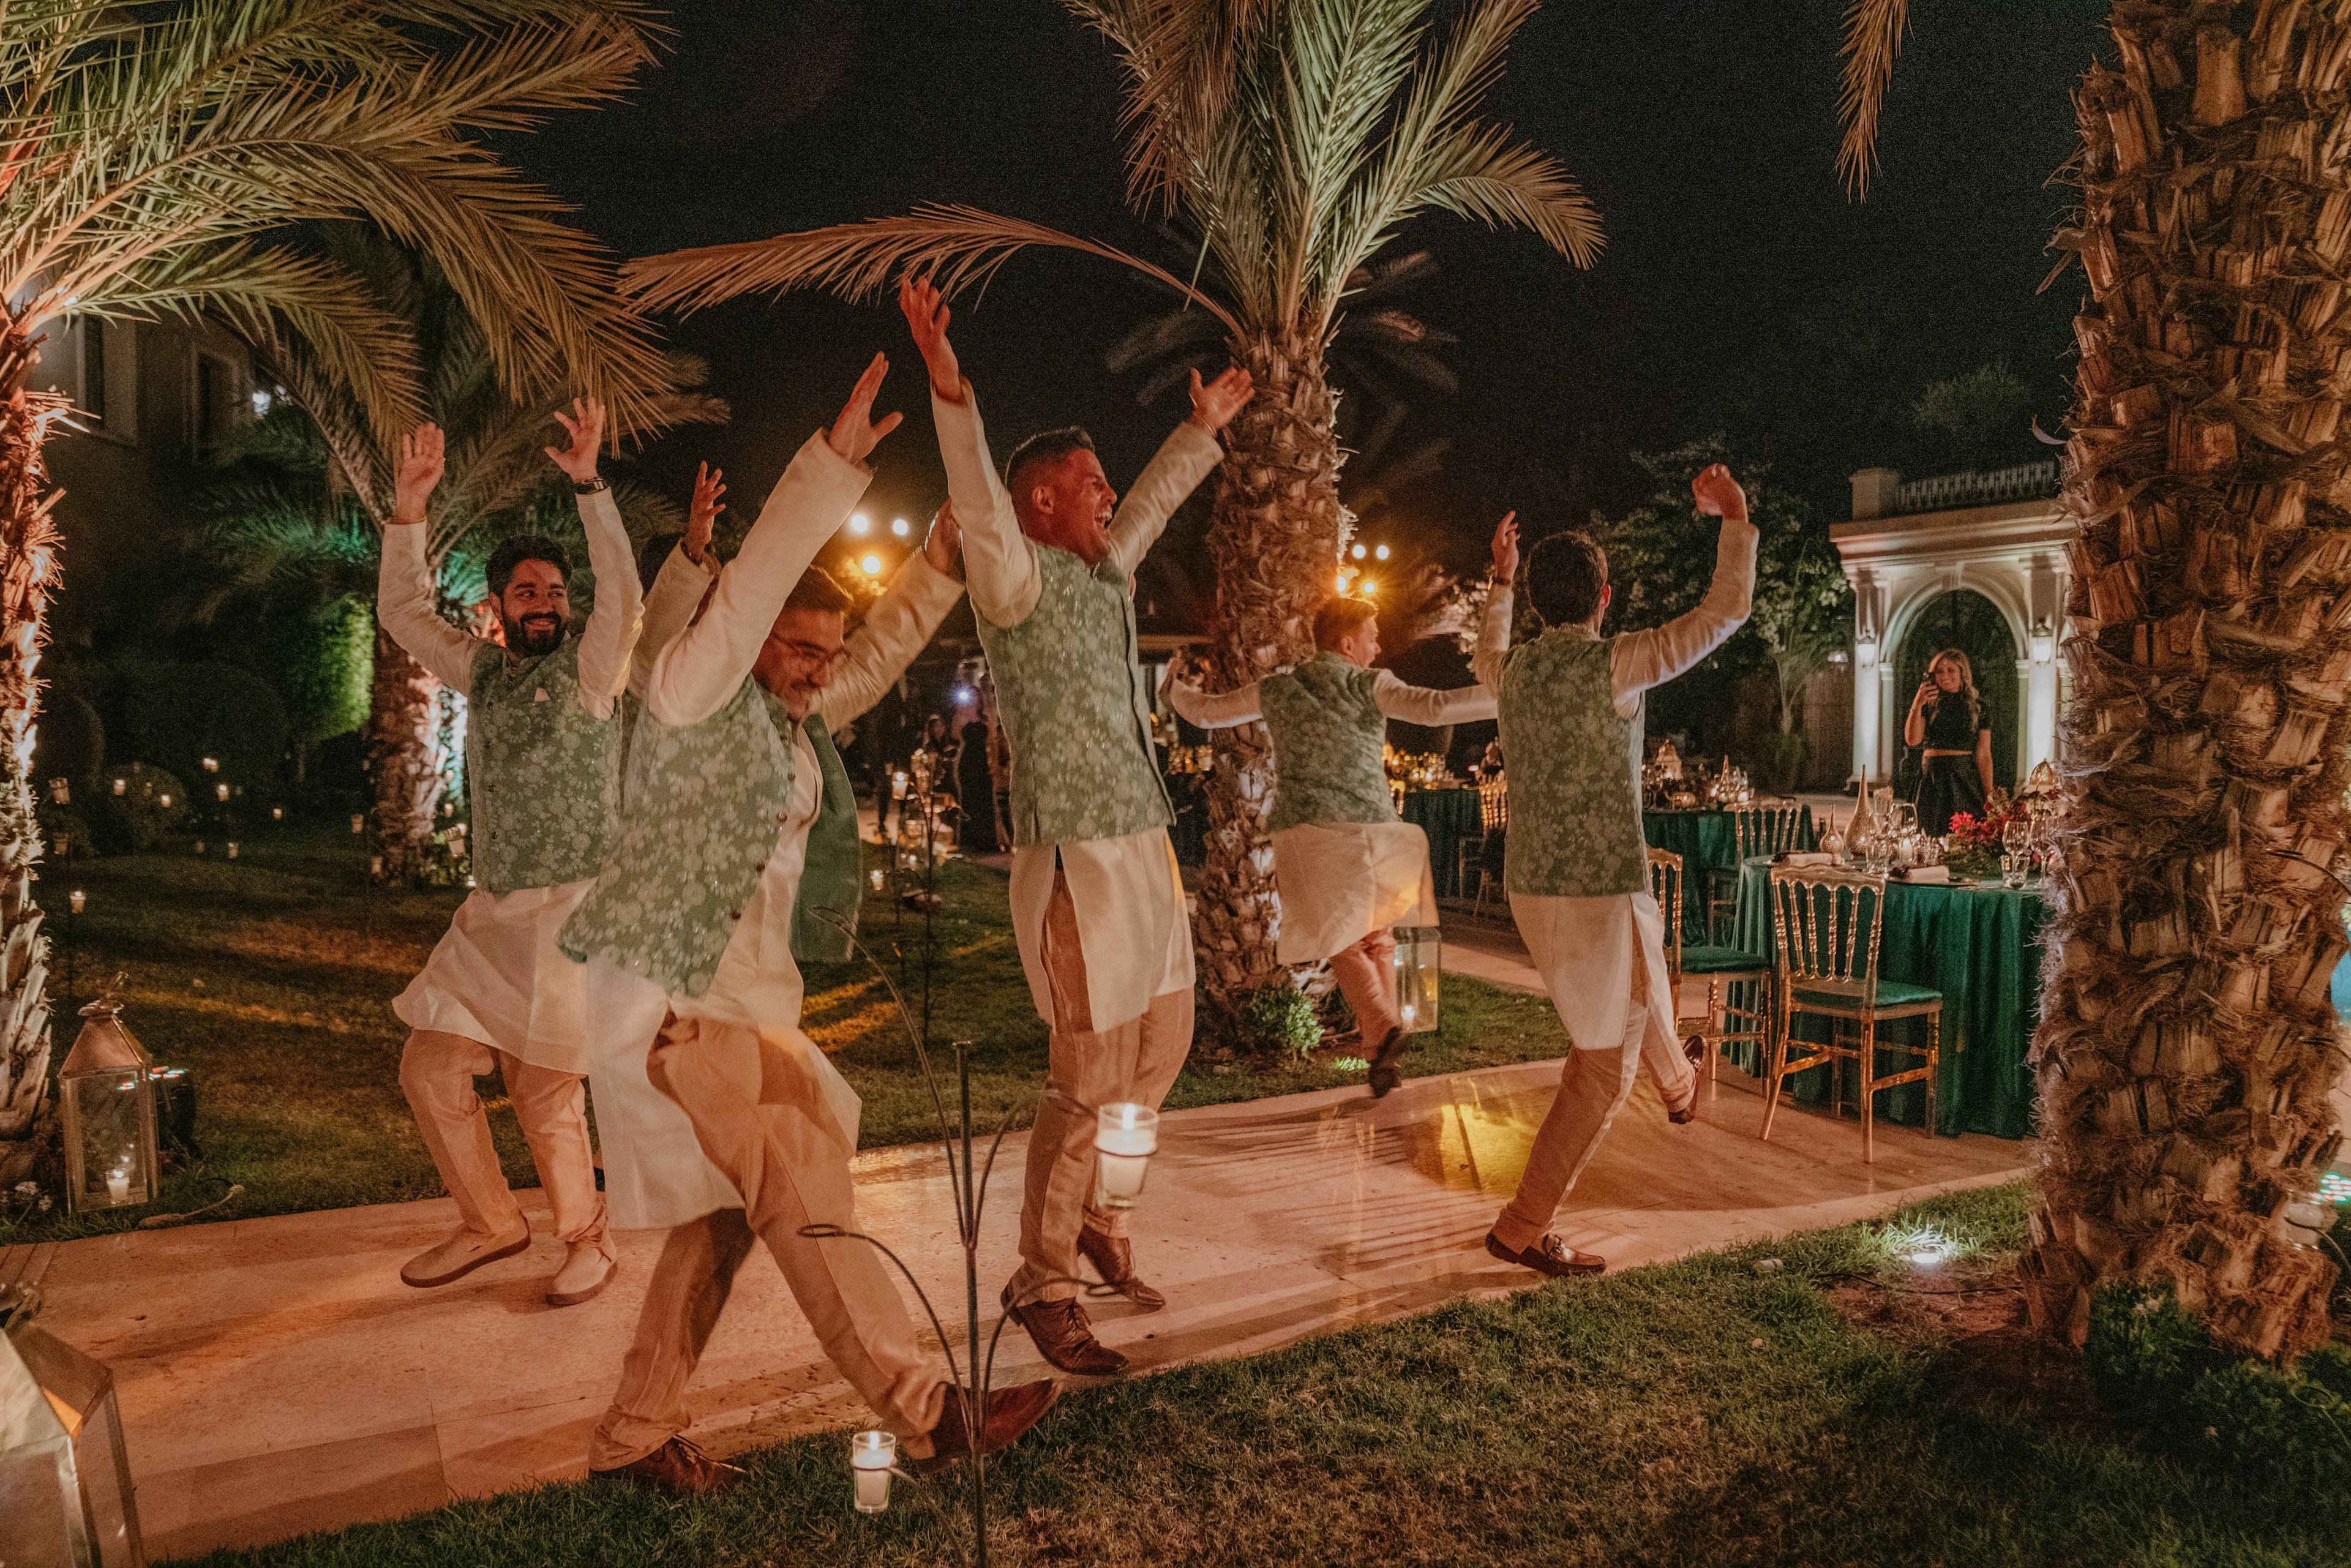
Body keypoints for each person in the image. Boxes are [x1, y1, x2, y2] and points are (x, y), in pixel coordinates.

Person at [558, 358, 1054, 1495]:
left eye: (824, 654)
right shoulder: (690, 691)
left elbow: (874, 658)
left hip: (746, 999)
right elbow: (754, 585)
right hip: (674, 999)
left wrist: (931, 573)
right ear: (753, 637)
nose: (819, 670)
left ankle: (634, 1435)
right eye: (799, 648)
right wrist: (831, 465)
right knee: (803, 1191)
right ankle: (930, 1415)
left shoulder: (792, 718)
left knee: (728, 1219)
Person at [901, 274, 1253, 1376]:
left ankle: (1101, 1217)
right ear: (1040, 504)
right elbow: (980, 489)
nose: (1108, 497)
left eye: (1106, 482)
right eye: (1088, 484)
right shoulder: (1014, 581)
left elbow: (1147, 508)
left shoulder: (1105, 576)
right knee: (1087, 1074)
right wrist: (950, 388)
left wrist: (1198, 432)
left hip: (1143, 842)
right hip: (1077, 863)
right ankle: (1042, 1279)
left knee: (1165, 1043)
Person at [375, 398, 639, 1308]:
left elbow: (626, 595)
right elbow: (405, 612)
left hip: (571, 914)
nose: (545, 604)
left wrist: (589, 486)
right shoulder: (481, 669)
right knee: (429, 1066)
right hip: (493, 915)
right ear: (498, 606)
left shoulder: (592, 671)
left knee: (543, 1087)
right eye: (527, 592)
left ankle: (589, 1240)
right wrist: (411, 509)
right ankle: (491, 1222)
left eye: (556, 594)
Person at [1472, 467, 1757, 1278]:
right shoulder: (1620, 664)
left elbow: (1485, 652)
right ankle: (1523, 1226)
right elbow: (1723, 613)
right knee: (1605, 1061)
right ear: (1603, 601)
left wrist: (1497, 579)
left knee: (1624, 1009)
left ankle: (1677, 1090)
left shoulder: (1513, 674)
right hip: (1600, 885)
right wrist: (1734, 520)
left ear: (1538, 605)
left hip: (1532, 887)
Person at [1164, 593, 1494, 1097]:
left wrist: (1172, 690)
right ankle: (1379, 1053)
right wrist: (1506, 692)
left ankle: (1382, 1025)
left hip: (1310, 833)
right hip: (1373, 831)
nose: (1378, 643)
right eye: (1371, 634)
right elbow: (1436, 707)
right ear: (1346, 642)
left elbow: (1208, 715)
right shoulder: (1369, 684)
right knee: (1376, 935)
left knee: (1334, 934)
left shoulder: (1280, 689)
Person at [1904, 648, 1993, 833]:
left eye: (1951, 670)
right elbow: (1912, 740)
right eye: (1939, 671)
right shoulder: (1928, 703)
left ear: (1962, 673)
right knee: (1928, 835)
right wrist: (1918, 703)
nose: (1945, 676)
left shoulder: (1979, 706)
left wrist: (1989, 796)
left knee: (1963, 836)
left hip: (1963, 778)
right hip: (1932, 778)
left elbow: (1984, 754)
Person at [955, 718, 1000, 854]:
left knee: (975, 804)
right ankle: (980, 841)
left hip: (976, 765)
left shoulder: (970, 750)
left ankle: (975, 840)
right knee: (977, 804)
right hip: (975, 767)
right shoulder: (975, 747)